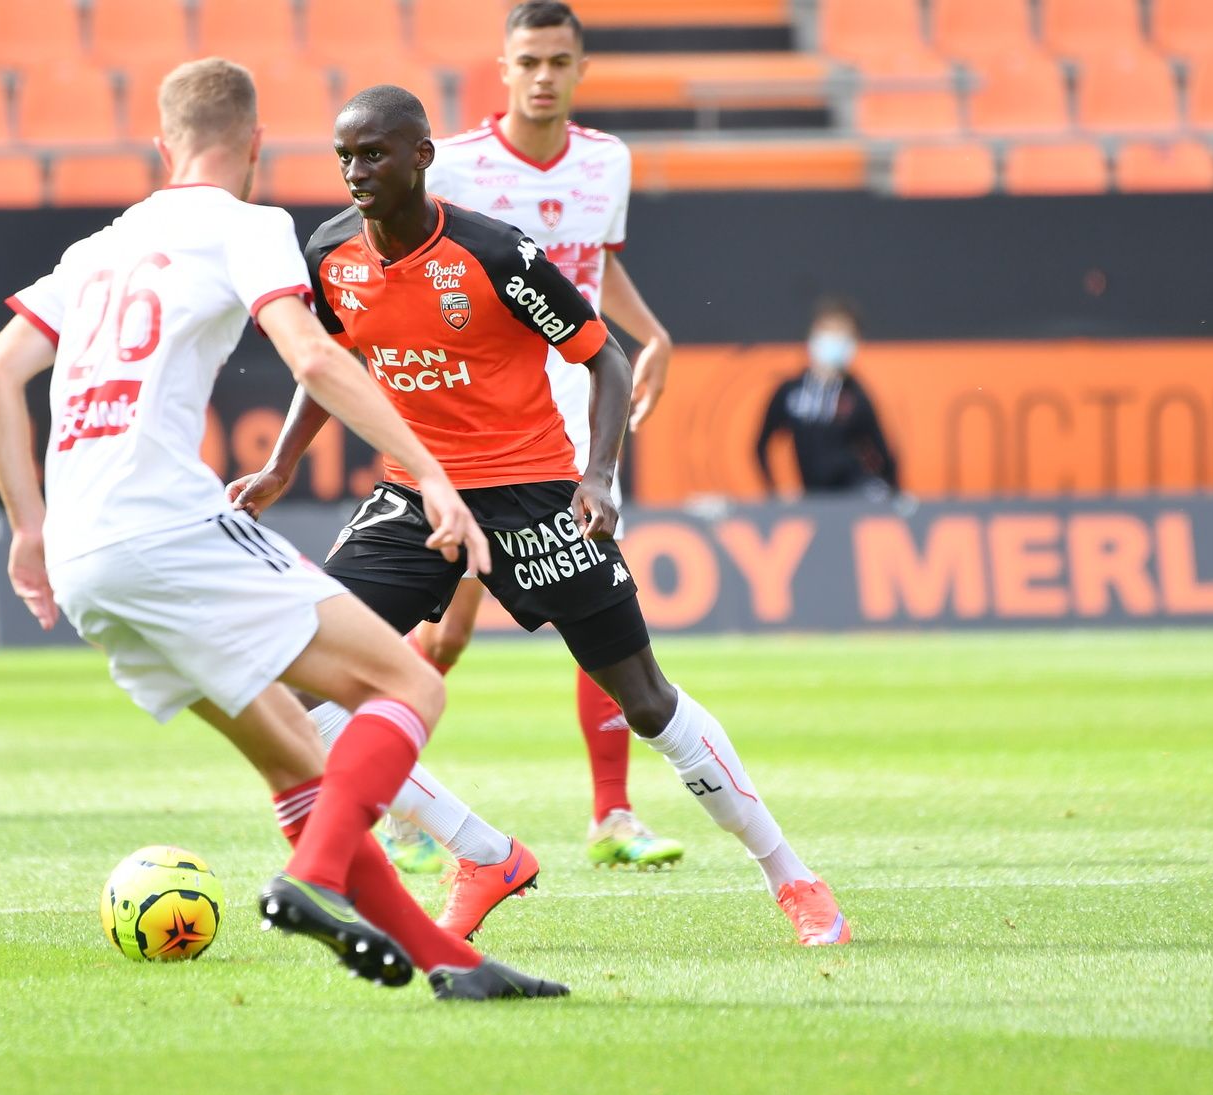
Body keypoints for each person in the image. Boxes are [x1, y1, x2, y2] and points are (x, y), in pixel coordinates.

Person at [0, 58, 566, 1001]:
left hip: (85, 560)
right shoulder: (248, 225)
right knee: (407, 680)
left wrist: (27, 531)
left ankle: (452, 965)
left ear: (161, 147)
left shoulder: (94, 251)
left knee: (299, 760)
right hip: (165, 525)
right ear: (254, 145)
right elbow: (314, 357)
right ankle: (313, 876)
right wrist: (439, 477)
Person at [228, 84, 850, 947]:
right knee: (298, 681)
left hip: (533, 498)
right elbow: (325, 362)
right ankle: (481, 852)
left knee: (645, 700)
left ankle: (794, 877)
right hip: (416, 496)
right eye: (344, 155)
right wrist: (281, 462)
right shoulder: (331, 252)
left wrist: (597, 474)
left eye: (374, 153)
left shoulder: (494, 255)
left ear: (420, 156)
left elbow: (607, 357)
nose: (356, 171)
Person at [388, 0, 684, 878]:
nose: (544, 75)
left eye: (560, 60)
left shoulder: (607, 162)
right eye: (529, 61)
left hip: (579, 425)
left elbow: (592, 263)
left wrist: (652, 334)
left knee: (600, 608)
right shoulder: (463, 168)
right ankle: (400, 801)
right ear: (505, 67)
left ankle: (614, 813)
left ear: (581, 69)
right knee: (443, 633)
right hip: (487, 426)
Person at [755, 296, 899, 499]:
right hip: (814, 497)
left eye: (843, 334)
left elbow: (883, 454)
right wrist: (774, 493)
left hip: (855, 492)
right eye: (829, 331)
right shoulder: (791, 393)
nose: (834, 340)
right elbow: (761, 445)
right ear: (813, 334)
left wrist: (895, 498)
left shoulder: (856, 395)